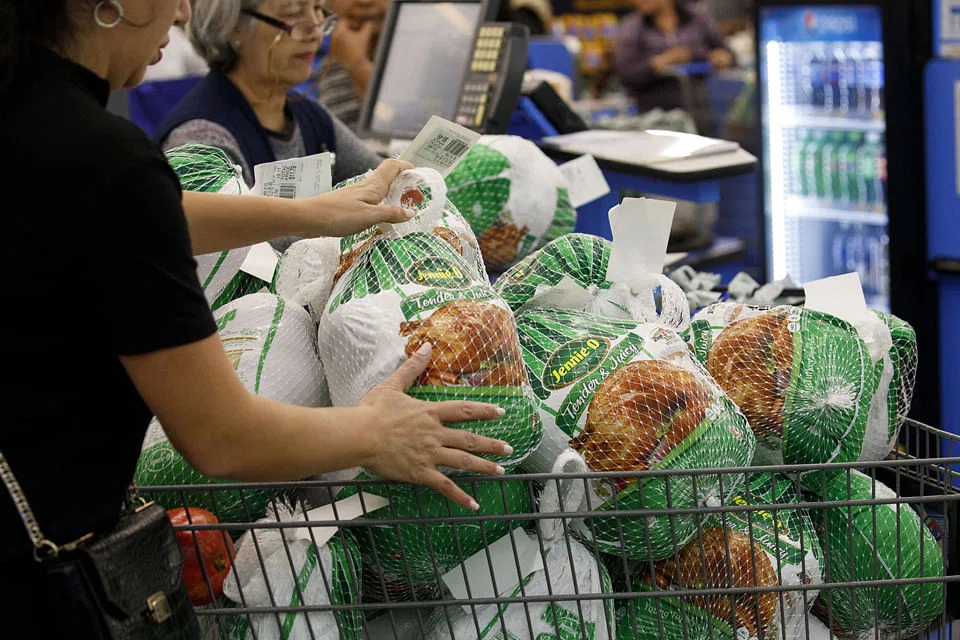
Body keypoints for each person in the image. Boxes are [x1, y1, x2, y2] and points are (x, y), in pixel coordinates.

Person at [0, 0, 513, 630]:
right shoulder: (104, 157)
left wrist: (310, 213)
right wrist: (375, 432)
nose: (183, 13)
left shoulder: (27, 113)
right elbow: (222, 438)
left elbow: (140, 214)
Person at [155, 0, 384, 235]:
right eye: (292, 13)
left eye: (318, 10)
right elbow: (229, 249)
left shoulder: (310, 116)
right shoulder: (201, 138)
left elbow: (384, 181)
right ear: (232, 27)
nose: (314, 32)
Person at [614, 0, 734, 116]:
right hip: (655, 114)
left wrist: (720, 57)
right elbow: (625, 74)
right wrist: (656, 64)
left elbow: (727, 54)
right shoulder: (632, 27)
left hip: (704, 109)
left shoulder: (698, 18)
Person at [316, 0, 387, 132]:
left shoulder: (424, 57)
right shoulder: (329, 64)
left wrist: (358, 67)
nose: (364, 2)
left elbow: (404, 124)